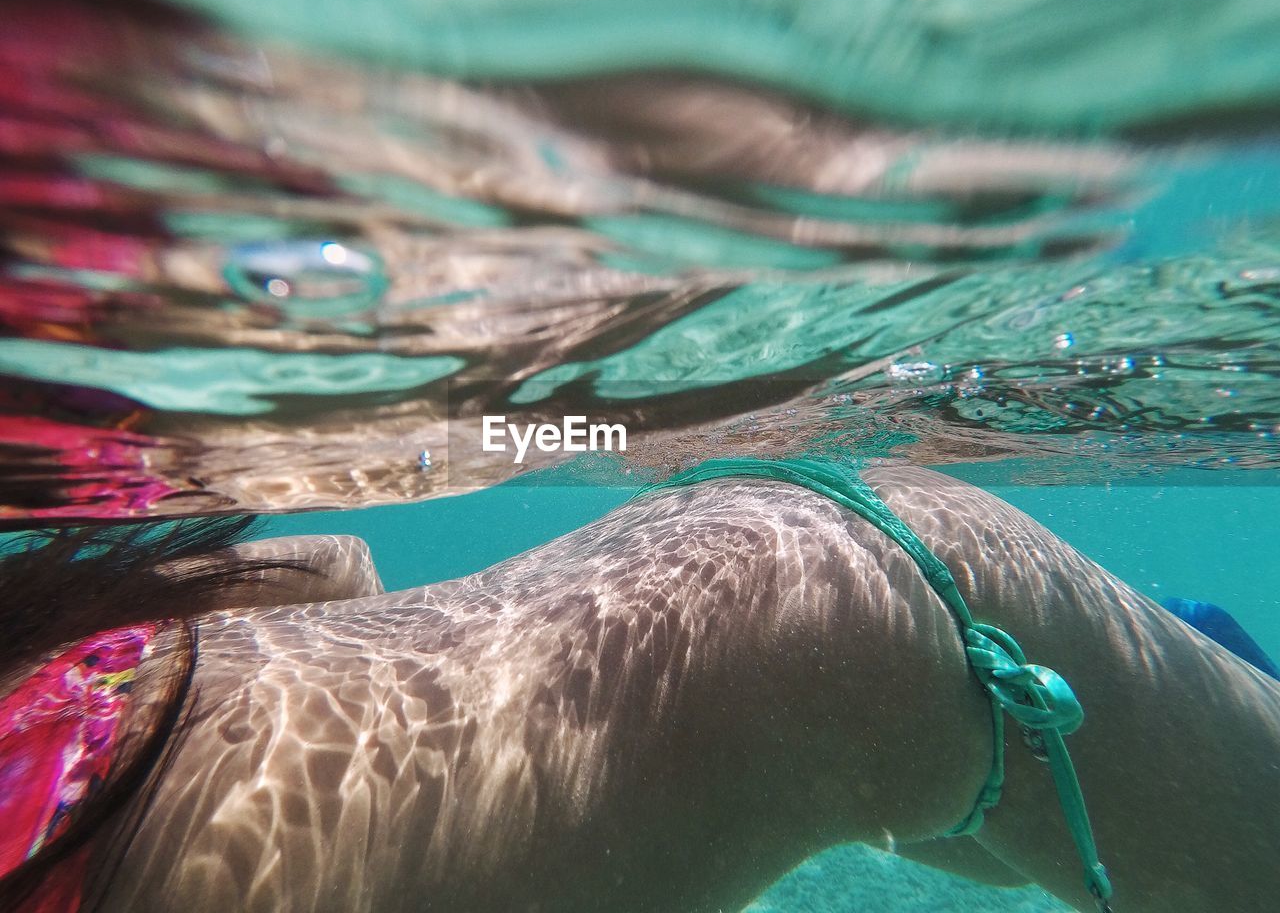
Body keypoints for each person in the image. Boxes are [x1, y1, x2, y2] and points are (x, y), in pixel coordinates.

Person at [2, 466, 1277, 913]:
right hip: (837, 588)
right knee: (1003, 834)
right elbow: (316, 563)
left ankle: (1188, 653)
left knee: (1037, 828)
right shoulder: (52, 709)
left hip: (854, 600)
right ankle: (1188, 652)